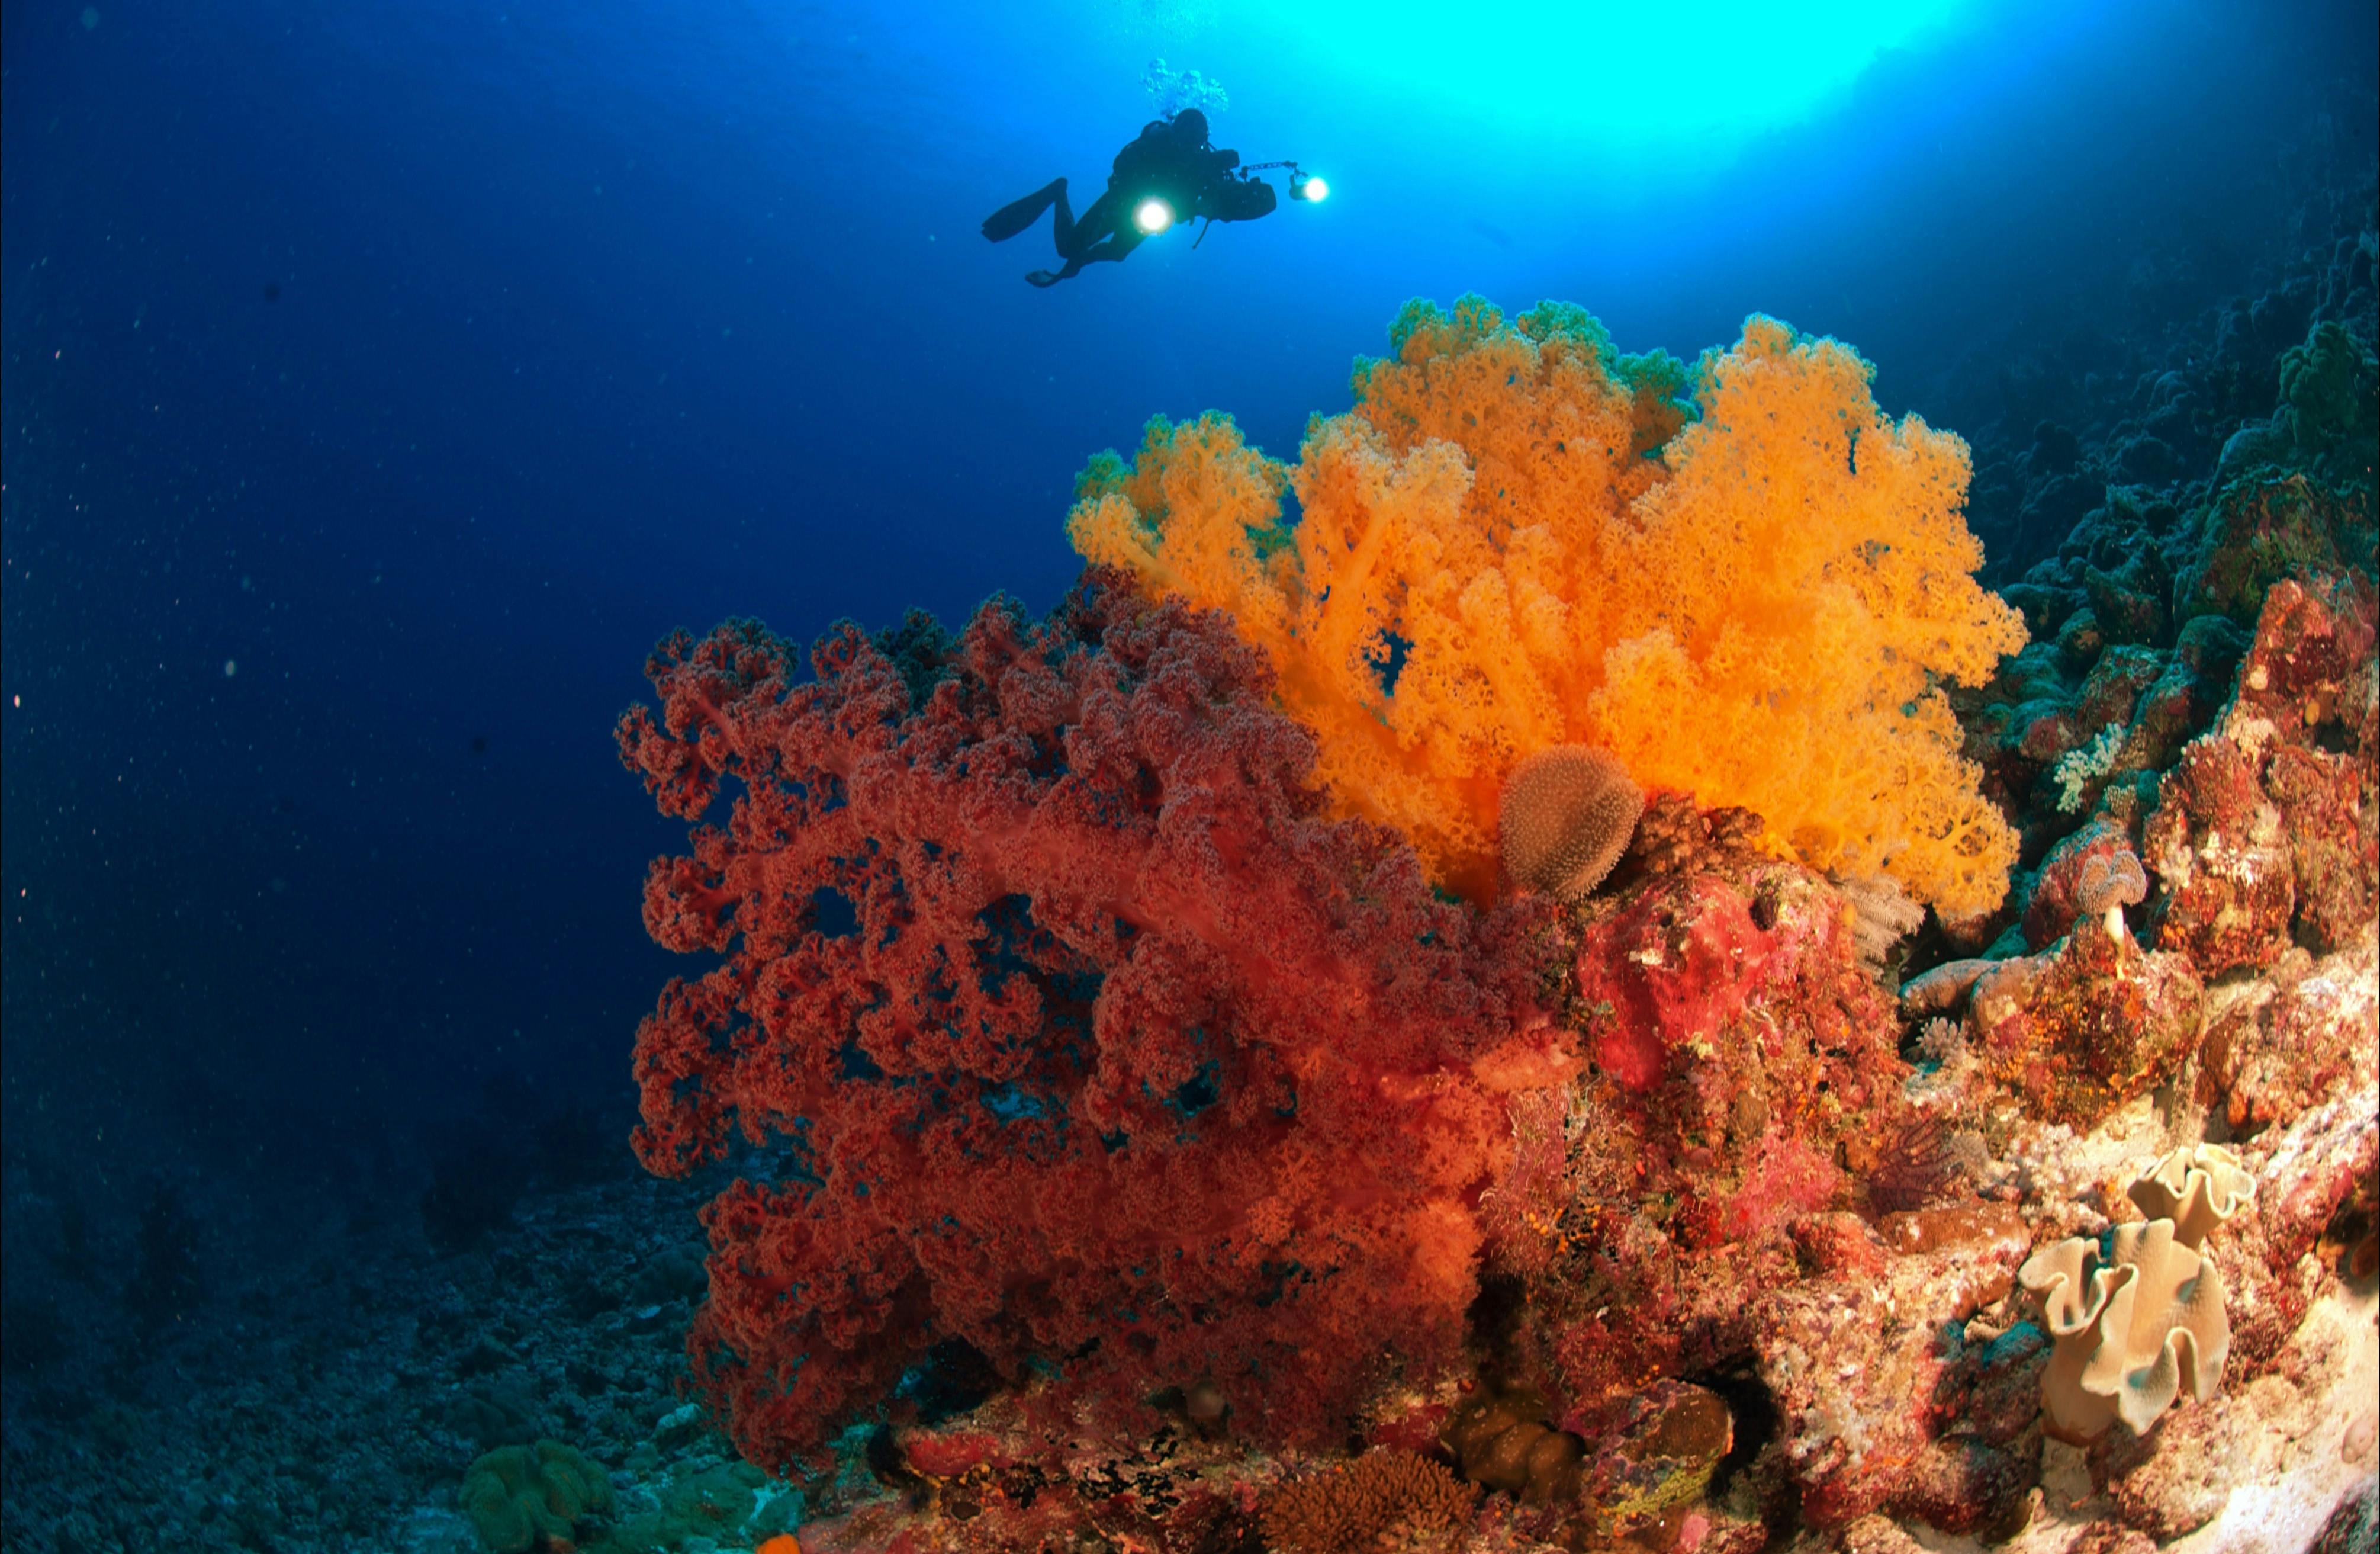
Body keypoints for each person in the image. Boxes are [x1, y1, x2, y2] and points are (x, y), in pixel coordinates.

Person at [980, 110, 1278, 287]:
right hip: (1121, 203)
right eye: (1187, 139)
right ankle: (1059, 192)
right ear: (1177, 133)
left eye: (1197, 142)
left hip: (1151, 216)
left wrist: (1238, 191)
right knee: (1067, 247)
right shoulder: (1155, 147)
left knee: (1117, 253)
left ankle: (1079, 261)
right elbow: (1122, 165)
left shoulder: (1205, 163)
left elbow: (1219, 199)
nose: (1191, 147)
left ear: (1203, 141)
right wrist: (1133, 191)